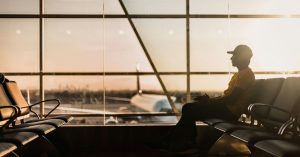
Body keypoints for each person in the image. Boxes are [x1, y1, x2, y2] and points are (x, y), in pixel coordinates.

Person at [164, 44, 256, 152]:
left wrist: (209, 101)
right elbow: (229, 97)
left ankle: (182, 142)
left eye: (234, 55)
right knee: (189, 108)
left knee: (189, 108)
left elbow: (232, 99)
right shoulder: (241, 74)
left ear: (241, 57)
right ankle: (184, 142)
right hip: (227, 109)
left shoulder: (246, 74)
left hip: (230, 112)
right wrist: (210, 100)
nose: (231, 58)